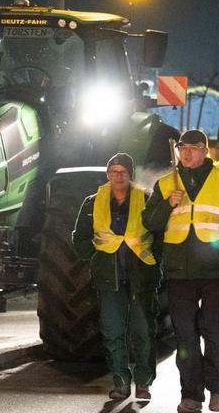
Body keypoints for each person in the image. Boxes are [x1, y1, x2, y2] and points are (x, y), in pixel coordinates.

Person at [142, 129, 219, 413]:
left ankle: (217, 389)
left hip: (215, 271)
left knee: (214, 330)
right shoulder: (165, 183)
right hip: (179, 271)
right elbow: (150, 222)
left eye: (193, 148)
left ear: (205, 151)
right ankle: (191, 395)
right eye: (183, 148)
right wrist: (168, 204)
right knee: (185, 335)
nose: (187, 153)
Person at [72, 153, 161, 401]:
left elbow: (160, 234)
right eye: (113, 171)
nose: (118, 176)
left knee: (143, 331)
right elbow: (80, 236)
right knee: (112, 331)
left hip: (141, 276)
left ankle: (143, 382)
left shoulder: (146, 199)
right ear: (107, 174)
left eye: (123, 172)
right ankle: (121, 382)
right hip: (108, 277)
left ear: (130, 174)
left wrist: (157, 260)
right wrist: (93, 257)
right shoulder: (92, 203)